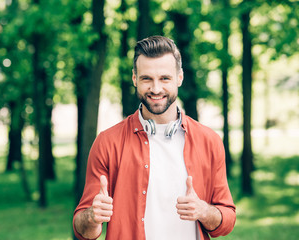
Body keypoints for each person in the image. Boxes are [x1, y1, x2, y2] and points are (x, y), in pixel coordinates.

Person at [73, 35, 236, 240]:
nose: (156, 89)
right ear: (134, 79)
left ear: (179, 78)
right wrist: (92, 217)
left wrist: (203, 210)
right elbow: (83, 229)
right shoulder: (107, 142)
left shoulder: (209, 141)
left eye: (165, 78)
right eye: (146, 79)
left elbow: (227, 220)